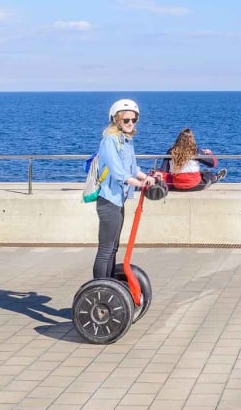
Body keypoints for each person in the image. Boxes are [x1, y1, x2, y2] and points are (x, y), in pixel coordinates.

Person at [92, 98, 154, 280]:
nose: (130, 123)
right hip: (108, 200)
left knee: (114, 247)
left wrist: (146, 178)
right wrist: (139, 184)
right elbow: (118, 172)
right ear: (116, 119)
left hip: (119, 199)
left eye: (133, 120)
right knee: (105, 249)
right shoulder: (109, 141)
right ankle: (100, 288)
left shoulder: (126, 140)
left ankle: (109, 283)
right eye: (126, 120)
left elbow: (132, 168)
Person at [156, 128, 227, 192]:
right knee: (207, 174)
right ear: (192, 139)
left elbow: (163, 170)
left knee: (171, 175)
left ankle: (213, 177)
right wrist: (209, 153)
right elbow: (213, 164)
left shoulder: (171, 151)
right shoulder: (195, 151)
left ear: (178, 139)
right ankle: (215, 178)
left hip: (177, 186)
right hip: (194, 186)